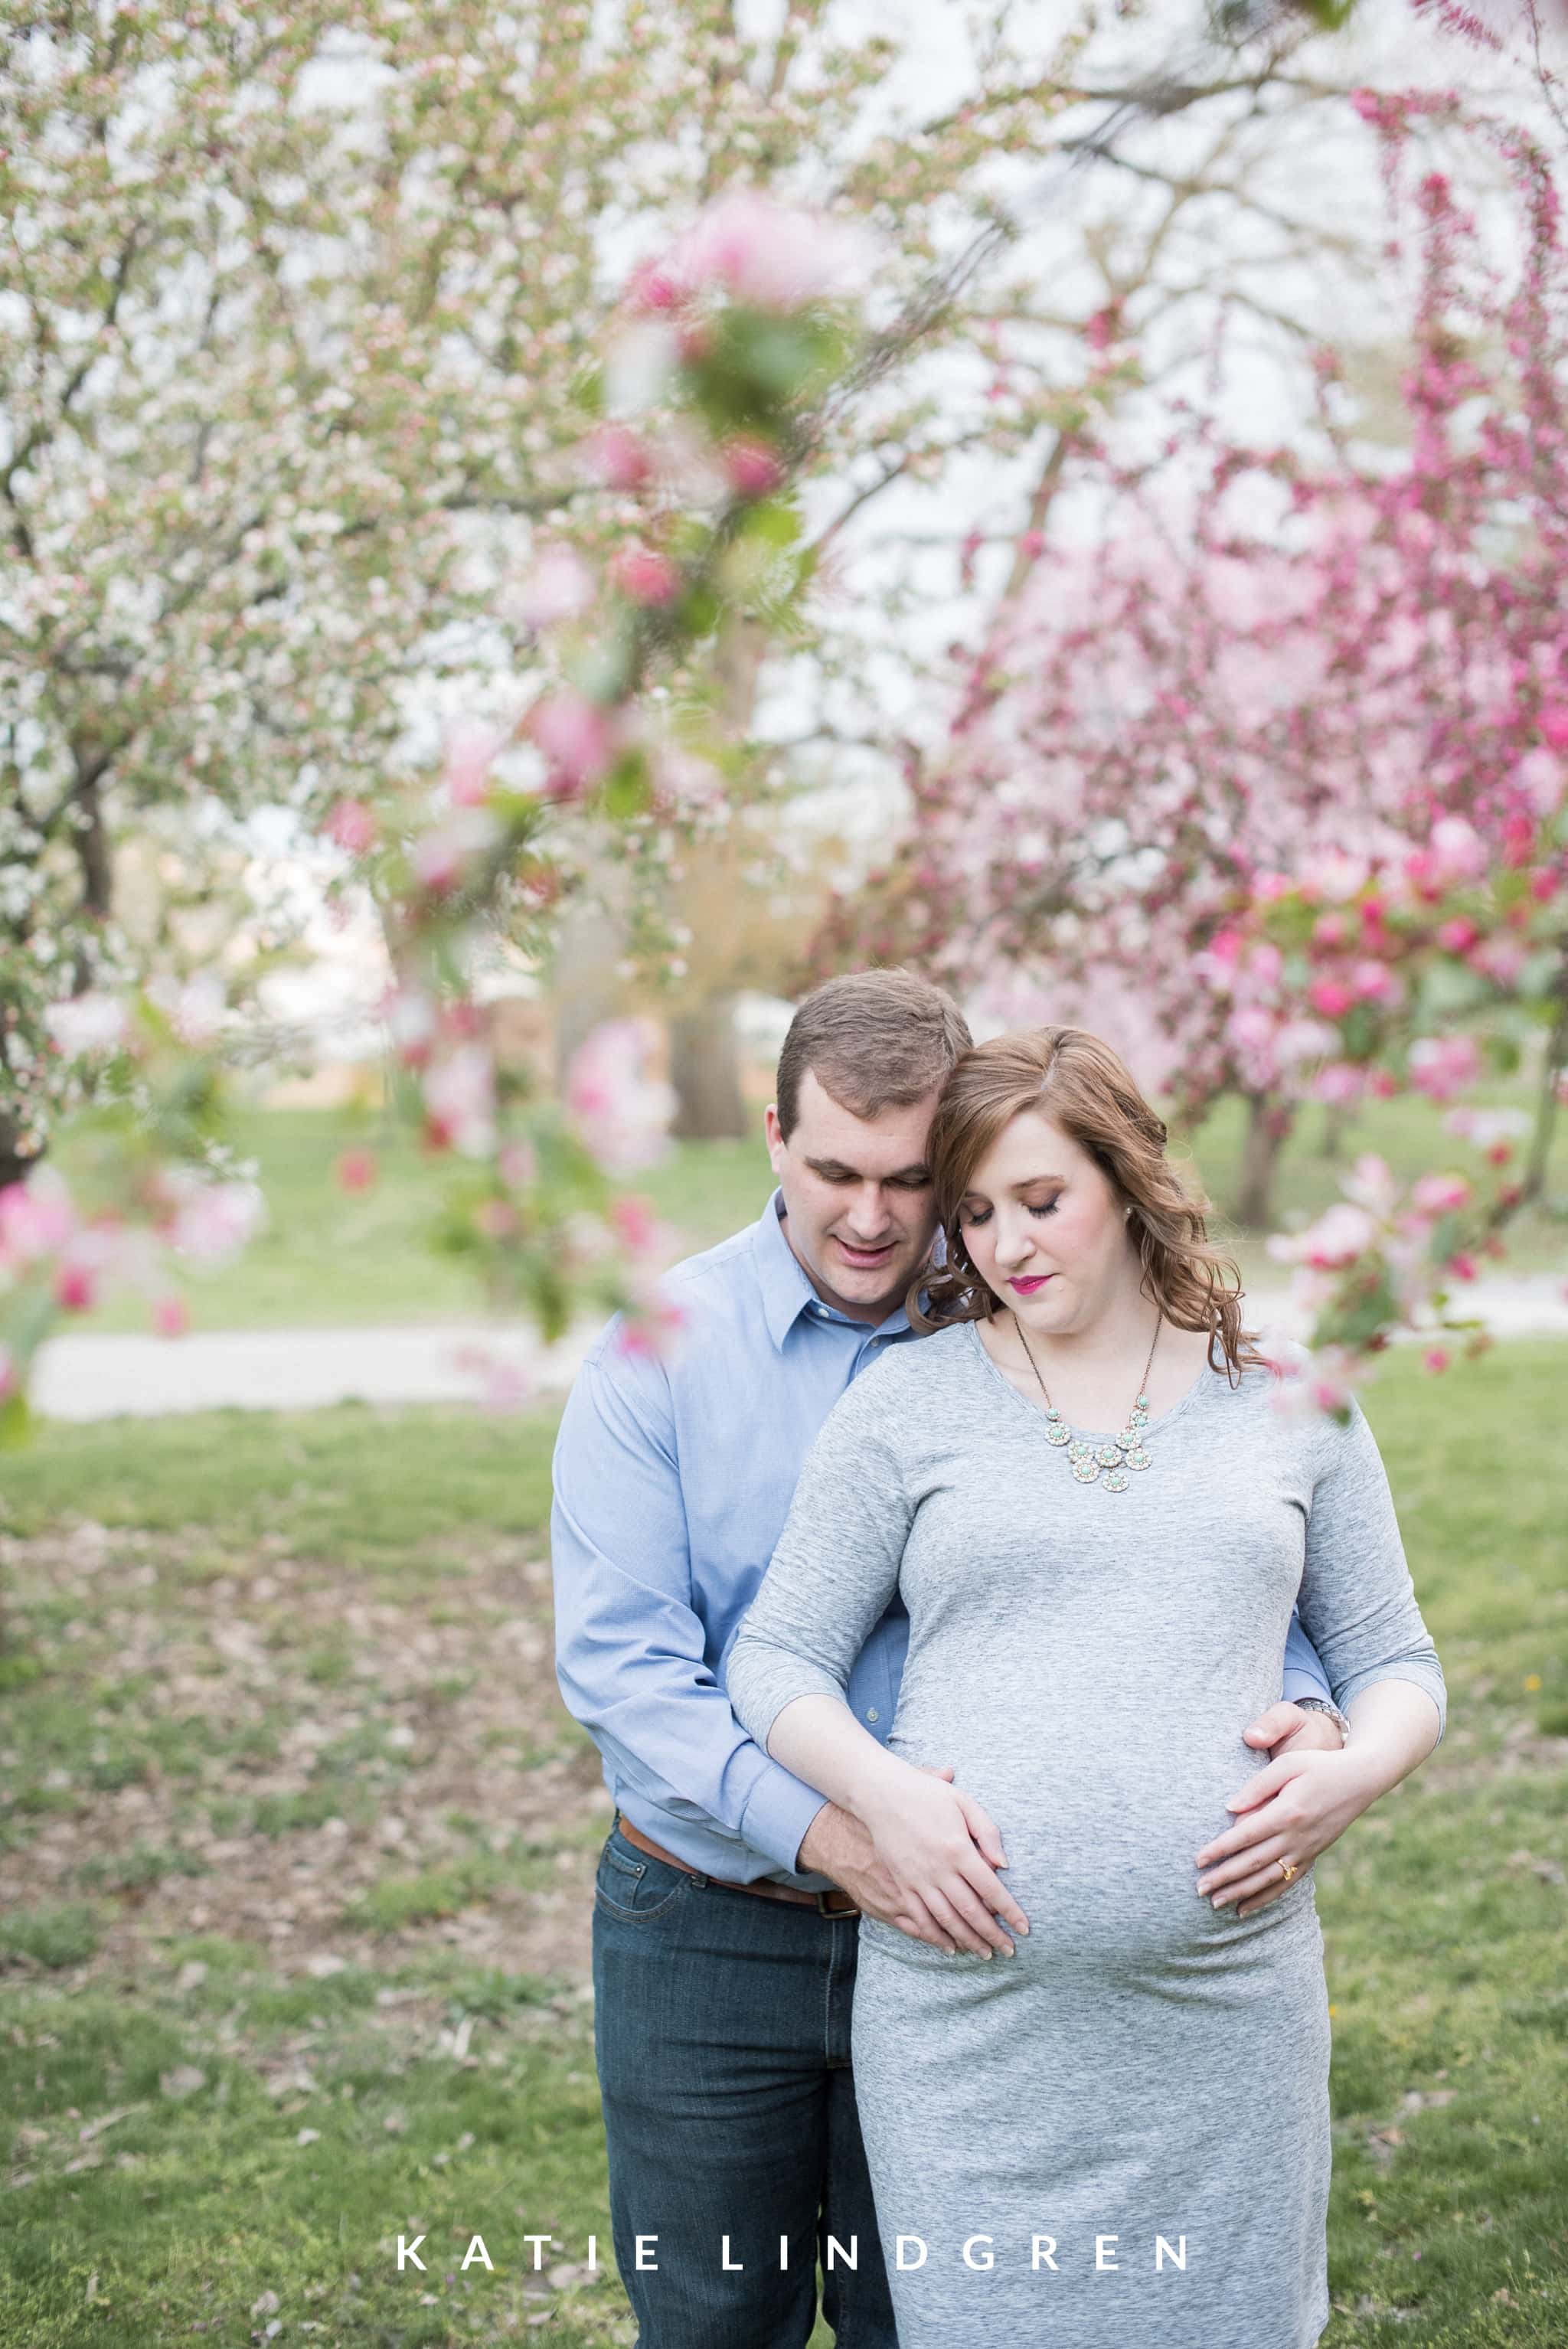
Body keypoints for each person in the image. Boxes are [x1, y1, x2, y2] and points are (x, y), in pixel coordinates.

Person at [551, 973, 1348, 2349]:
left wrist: (1314, 1715)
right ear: (772, 1140)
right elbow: (627, 1671)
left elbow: (1194, 1553)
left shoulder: (1024, 1315)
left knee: (912, 2317)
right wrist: (835, 1834)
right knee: (710, 2315)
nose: (871, 1218)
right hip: (713, 1924)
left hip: (969, 1960)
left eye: (914, 1180)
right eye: (833, 1171)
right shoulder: (660, 1351)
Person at [726, 1023, 1446, 2349]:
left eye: (1042, 1201)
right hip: (969, 2030)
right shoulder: (909, 1405)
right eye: (981, 1213)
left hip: (1225, 2015)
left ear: (1126, 1182)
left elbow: (1397, 1662)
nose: (1006, 1246)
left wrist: (1353, 1769)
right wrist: (885, 1796)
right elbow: (775, 1659)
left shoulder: (1290, 1400)